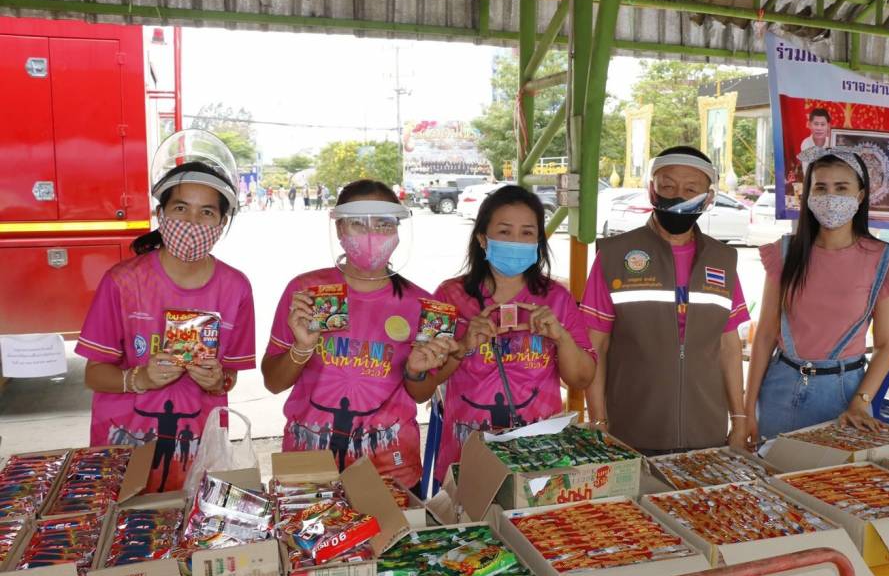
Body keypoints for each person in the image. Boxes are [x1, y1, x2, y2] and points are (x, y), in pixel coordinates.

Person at [76, 130, 256, 493]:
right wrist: (139, 378)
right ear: (161, 214)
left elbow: (229, 378)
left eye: (207, 212)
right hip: (125, 447)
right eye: (180, 208)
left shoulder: (236, 288)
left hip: (197, 453)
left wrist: (216, 381)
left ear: (222, 223)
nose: (192, 222)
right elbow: (94, 375)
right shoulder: (123, 282)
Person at [262, 180, 458, 492]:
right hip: (309, 466)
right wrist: (301, 348)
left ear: (397, 230)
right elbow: (273, 383)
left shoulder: (422, 304)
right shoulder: (306, 293)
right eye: (357, 223)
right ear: (339, 228)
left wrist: (415, 371)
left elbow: (421, 394)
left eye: (383, 224)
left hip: (391, 470)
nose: (371, 234)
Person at [583, 146, 750, 454]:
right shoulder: (615, 256)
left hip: (706, 434)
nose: (678, 196)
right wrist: (598, 422)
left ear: (708, 198)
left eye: (691, 189)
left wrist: (739, 420)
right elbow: (596, 346)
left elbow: (729, 347)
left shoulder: (722, 260)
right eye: (668, 187)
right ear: (652, 190)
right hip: (631, 433)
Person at [424, 185, 596, 482]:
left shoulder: (557, 298)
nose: (516, 241)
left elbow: (581, 379)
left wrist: (561, 338)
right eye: (504, 231)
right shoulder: (449, 296)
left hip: (539, 459)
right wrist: (463, 345)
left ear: (538, 241)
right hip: (466, 457)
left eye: (527, 233)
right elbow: (423, 382)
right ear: (482, 239)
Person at [744, 147, 889, 441]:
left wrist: (860, 402)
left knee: (836, 472)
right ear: (808, 196)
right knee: (770, 467)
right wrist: (747, 409)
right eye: (821, 188)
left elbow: (886, 345)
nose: (830, 197)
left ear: (860, 195)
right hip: (779, 388)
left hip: (844, 395)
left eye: (841, 188)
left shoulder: (884, 260)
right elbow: (765, 335)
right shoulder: (785, 253)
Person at [799, 108, 832, 177]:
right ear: (809, 125)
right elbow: (807, 172)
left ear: (828, 126)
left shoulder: (831, 142)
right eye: (816, 124)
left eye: (823, 124)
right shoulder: (806, 144)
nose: (819, 128)